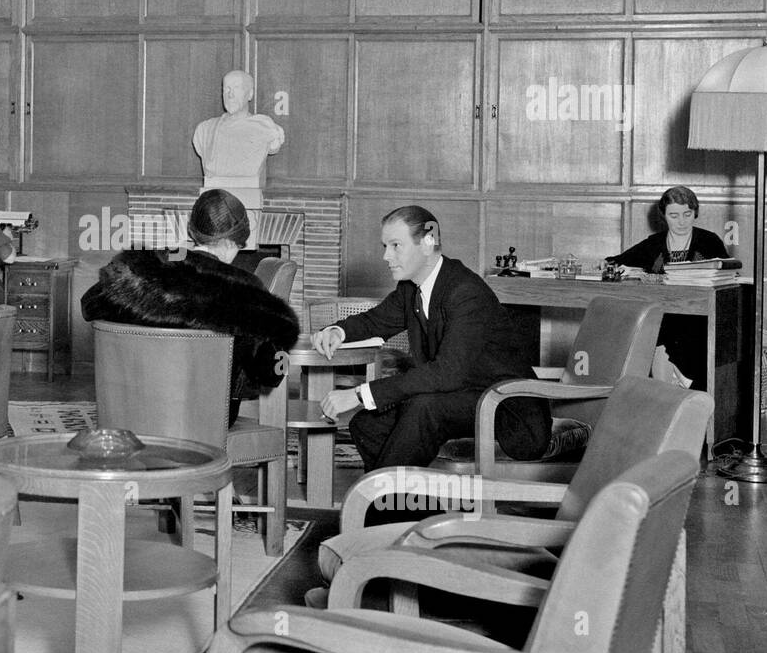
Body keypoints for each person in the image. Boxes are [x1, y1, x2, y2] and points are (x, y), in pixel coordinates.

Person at [312, 205, 551, 471]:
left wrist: (359, 394)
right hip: (464, 397)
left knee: (423, 408)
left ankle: (379, 508)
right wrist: (337, 331)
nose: (385, 256)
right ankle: (406, 507)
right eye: (385, 246)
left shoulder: (465, 291)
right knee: (367, 424)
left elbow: (447, 372)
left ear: (427, 243)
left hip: (508, 409)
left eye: (395, 246)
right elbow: (375, 321)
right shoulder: (411, 288)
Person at [80, 188, 299, 424]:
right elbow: (270, 374)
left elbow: (89, 305)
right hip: (209, 418)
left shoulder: (141, 267)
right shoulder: (247, 287)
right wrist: (284, 356)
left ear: (192, 230)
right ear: (233, 240)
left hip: (132, 412)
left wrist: (176, 254)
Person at [606, 185, 730, 389]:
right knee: (651, 327)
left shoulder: (709, 241)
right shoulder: (654, 244)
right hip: (663, 314)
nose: (681, 221)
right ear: (664, 216)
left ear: (695, 213)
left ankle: (682, 387)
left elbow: (728, 273)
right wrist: (633, 272)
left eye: (687, 214)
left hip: (699, 318)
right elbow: (615, 262)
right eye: (674, 215)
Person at [192, 70, 285, 210]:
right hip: (214, 199)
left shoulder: (264, 128)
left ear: (250, 94)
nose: (230, 95)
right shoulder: (205, 130)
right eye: (226, 89)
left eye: (236, 88)